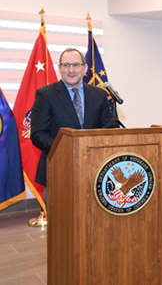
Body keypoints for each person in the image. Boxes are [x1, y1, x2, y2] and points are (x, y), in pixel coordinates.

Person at [30, 47, 112, 226]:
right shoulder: (45, 94)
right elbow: (37, 134)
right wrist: (69, 150)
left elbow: (109, 129)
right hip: (59, 169)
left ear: (84, 68)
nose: (71, 70)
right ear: (59, 68)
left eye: (76, 65)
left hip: (95, 170)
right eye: (66, 65)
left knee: (94, 223)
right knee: (62, 226)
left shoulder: (99, 95)